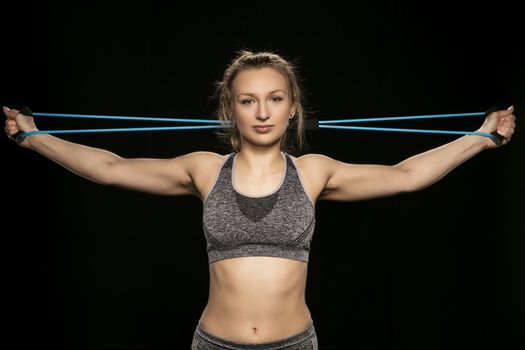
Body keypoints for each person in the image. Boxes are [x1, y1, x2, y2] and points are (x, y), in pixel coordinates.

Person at [4, 50, 516, 350]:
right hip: (214, 343)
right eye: (248, 100)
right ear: (232, 108)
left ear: (293, 108)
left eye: (275, 99)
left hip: (294, 344)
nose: (262, 112)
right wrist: (31, 136)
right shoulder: (204, 169)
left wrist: (482, 137)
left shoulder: (314, 173)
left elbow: (405, 176)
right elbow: (110, 168)